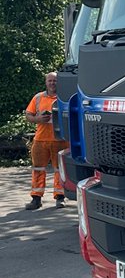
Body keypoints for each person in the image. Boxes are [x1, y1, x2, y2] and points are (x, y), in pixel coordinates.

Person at [24, 72, 67, 210]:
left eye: (55, 80)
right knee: (38, 169)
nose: (52, 83)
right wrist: (38, 119)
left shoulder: (64, 97)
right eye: (50, 80)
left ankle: (60, 198)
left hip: (60, 139)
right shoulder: (38, 98)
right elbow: (28, 115)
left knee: (59, 170)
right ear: (46, 82)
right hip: (41, 140)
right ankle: (36, 199)